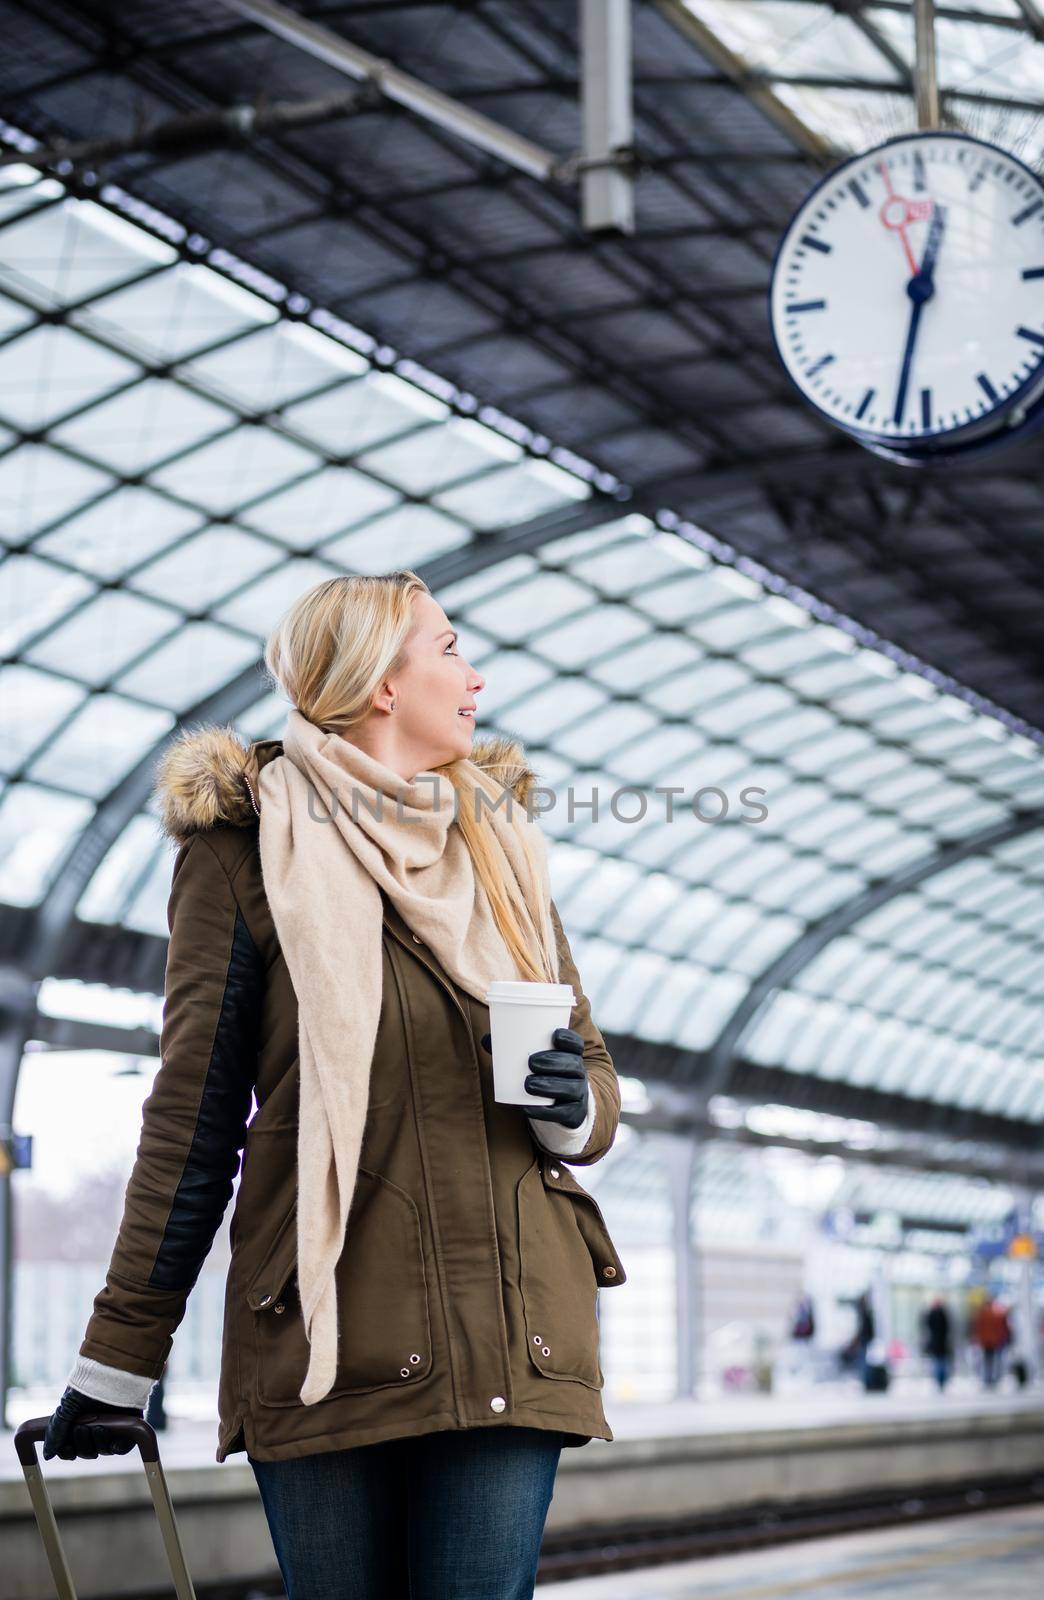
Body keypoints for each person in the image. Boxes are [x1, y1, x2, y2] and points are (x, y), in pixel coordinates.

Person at [42, 571, 626, 1600]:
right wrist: (117, 1358)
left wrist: (575, 1105)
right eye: (449, 648)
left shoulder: (502, 852)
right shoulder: (244, 849)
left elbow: (592, 1065)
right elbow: (194, 1119)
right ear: (379, 681)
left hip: (510, 1327)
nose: (475, 674)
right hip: (323, 1331)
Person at [971, 1294, 1012, 1389]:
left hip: (986, 1342)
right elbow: (1002, 1328)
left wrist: (978, 1339)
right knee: (995, 1360)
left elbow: (977, 1329)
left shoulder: (981, 1315)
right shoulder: (996, 1314)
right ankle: (994, 1378)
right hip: (994, 1341)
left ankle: (988, 1379)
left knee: (987, 1361)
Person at [921, 1297, 953, 1392]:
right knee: (938, 1363)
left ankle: (941, 1380)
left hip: (940, 1344)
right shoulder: (939, 1314)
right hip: (938, 1344)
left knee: (940, 1363)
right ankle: (940, 1380)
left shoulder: (941, 1314)